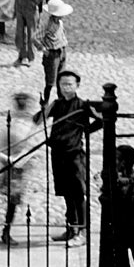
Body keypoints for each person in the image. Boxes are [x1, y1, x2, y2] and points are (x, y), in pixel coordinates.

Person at [36, 71, 101, 243]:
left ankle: (82, 232)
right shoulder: (57, 104)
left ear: (77, 86)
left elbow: (102, 120)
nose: (66, 87)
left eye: (70, 84)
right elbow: (37, 120)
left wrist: (87, 130)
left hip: (74, 154)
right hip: (58, 153)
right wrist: (45, 107)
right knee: (66, 194)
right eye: (63, 84)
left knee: (78, 193)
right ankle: (71, 229)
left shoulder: (83, 105)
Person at [0, 92, 37, 246]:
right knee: (12, 201)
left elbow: (32, 146)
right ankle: (6, 232)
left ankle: (6, 230)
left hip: (18, 165)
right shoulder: (17, 123)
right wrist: (8, 159)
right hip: (13, 167)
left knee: (12, 201)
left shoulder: (26, 123)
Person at [10, 0, 50, 68]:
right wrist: (14, 10)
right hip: (20, 10)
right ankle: (21, 56)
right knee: (20, 34)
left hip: (31, 11)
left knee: (31, 35)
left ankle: (31, 57)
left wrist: (36, 0)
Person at [34, 0, 73, 100]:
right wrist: (43, 49)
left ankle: (61, 101)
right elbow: (35, 38)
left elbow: (62, 34)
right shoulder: (46, 25)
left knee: (61, 79)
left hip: (61, 51)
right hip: (52, 54)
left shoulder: (60, 23)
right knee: (50, 82)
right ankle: (45, 101)